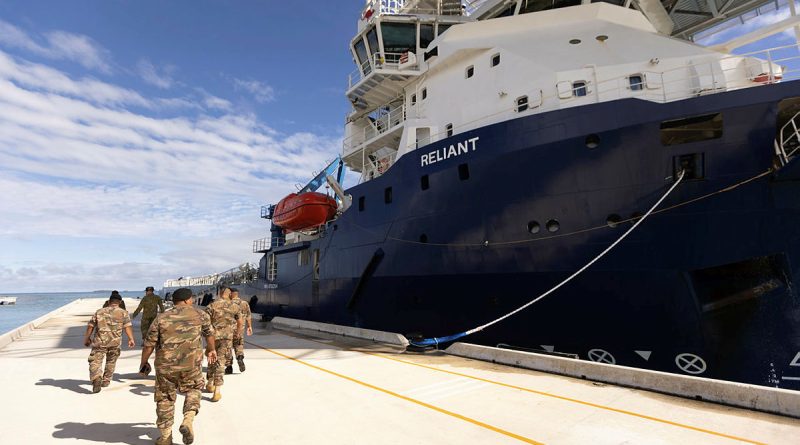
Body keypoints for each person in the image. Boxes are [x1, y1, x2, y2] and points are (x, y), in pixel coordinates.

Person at [139, 287, 216, 445]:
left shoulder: (162, 318)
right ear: (188, 300)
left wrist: (143, 362)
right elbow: (210, 334)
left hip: (165, 367)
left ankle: (166, 437)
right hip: (191, 365)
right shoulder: (201, 315)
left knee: (165, 399)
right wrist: (211, 349)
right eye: (192, 299)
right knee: (194, 390)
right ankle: (188, 419)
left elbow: (149, 345)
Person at [84, 291, 135, 393]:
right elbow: (127, 326)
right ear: (119, 302)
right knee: (111, 361)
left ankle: (96, 377)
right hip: (115, 342)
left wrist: (87, 338)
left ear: (109, 301)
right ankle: (106, 380)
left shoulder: (99, 312)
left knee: (95, 361)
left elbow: (91, 326)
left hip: (100, 341)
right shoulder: (123, 313)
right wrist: (131, 339)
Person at [204, 286, 242, 401]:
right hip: (227, 338)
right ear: (230, 294)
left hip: (212, 337)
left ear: (220, 294)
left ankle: (210, 383)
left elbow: (205, 322)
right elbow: (240, 322)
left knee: (211, 358)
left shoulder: (211, 305)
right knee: (221, 362)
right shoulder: (235, 306)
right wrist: (238, 333)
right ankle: (217, 391)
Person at [227, 288, 253, 373]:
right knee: (239, 345)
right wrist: (249, 326)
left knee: (228, 348)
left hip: (228, 329)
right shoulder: (244, 303)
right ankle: (240, 358)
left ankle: (229, 367)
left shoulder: (228, 303)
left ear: (231, 294)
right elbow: (248, 316)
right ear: (237, 294)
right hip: (240, 329)